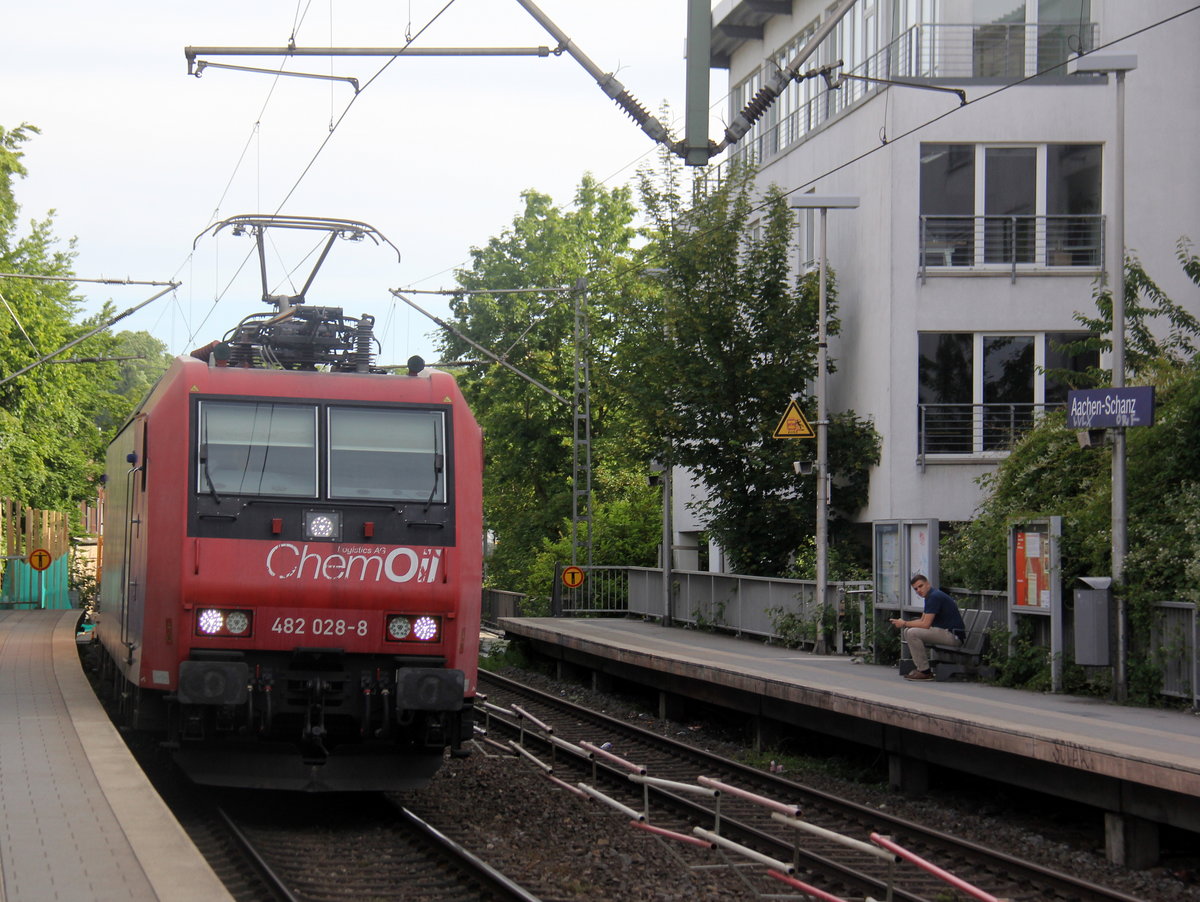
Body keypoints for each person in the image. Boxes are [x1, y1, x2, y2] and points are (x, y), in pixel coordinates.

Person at [889, 574, 966, 681]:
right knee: (908, 631)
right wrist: (904, 623)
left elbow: (925, 624)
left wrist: (904, 623)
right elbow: (922, 620)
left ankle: (925, 672)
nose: (919, 590)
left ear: (928, 584)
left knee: (912, 632)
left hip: (953, 636)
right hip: (945, 632)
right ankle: (922, 669)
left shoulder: (934, 597)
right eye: (916, 589)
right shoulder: (930, 596)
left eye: (921, 586)